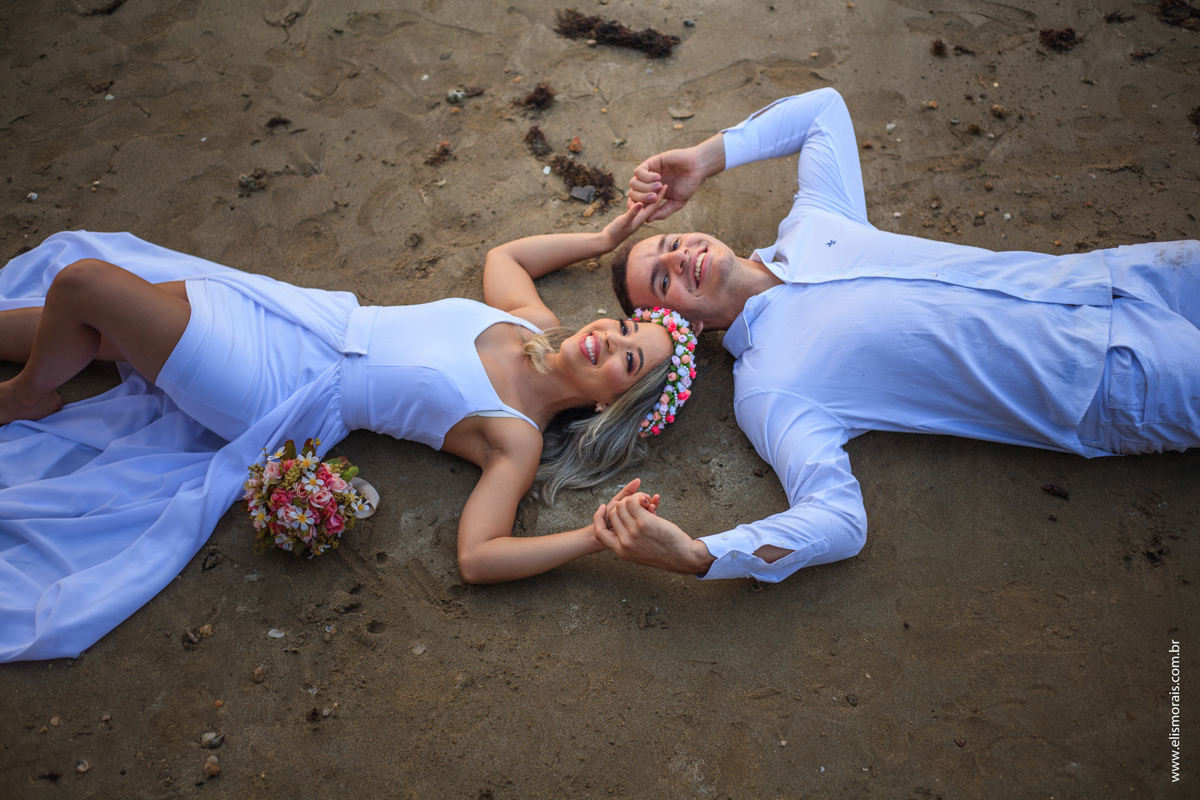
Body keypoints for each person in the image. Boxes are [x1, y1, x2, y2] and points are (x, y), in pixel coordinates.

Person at [0, 200, 700, 662]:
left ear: (612, 406)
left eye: (628, 360)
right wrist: (604, 238)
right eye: (624, 326)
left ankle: (26, 396)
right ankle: (34, 375)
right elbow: (505, 260)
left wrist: (592, 537)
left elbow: (478, 556)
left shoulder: (515, 437)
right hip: (303, 318)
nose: (609, 337)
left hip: (277, 385)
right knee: (96, 333)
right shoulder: (532, 325)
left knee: (88, 286)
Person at [594, 87, 1200, 582]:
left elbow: (822, 110)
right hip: (1106, 378)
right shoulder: (769, 387)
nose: (679, 256)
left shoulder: (814, 220)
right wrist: (701, 555)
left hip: (1122, 275)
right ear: (684, 325)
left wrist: (704, 158)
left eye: (671, 242)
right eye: (663, 279)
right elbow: (836, 519)